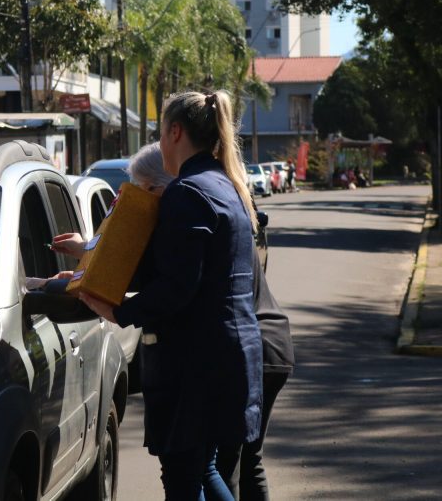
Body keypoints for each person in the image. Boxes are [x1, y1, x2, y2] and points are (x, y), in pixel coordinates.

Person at [72, 90, 263, 501]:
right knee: (196, 472)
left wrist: (118, 311)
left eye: (161, 132)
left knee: (182, 479)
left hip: (197, 366)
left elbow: (177, 286)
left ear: (175, 131)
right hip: (223, 359)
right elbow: (174, 268)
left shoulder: (188, 192)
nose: (160, 142)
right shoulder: (223, 184)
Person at [215, 245, 294, 501]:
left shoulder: (220, 230)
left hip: (253, 348)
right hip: (275, 344)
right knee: (250, 456)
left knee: (228, 460)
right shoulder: (240, 230)